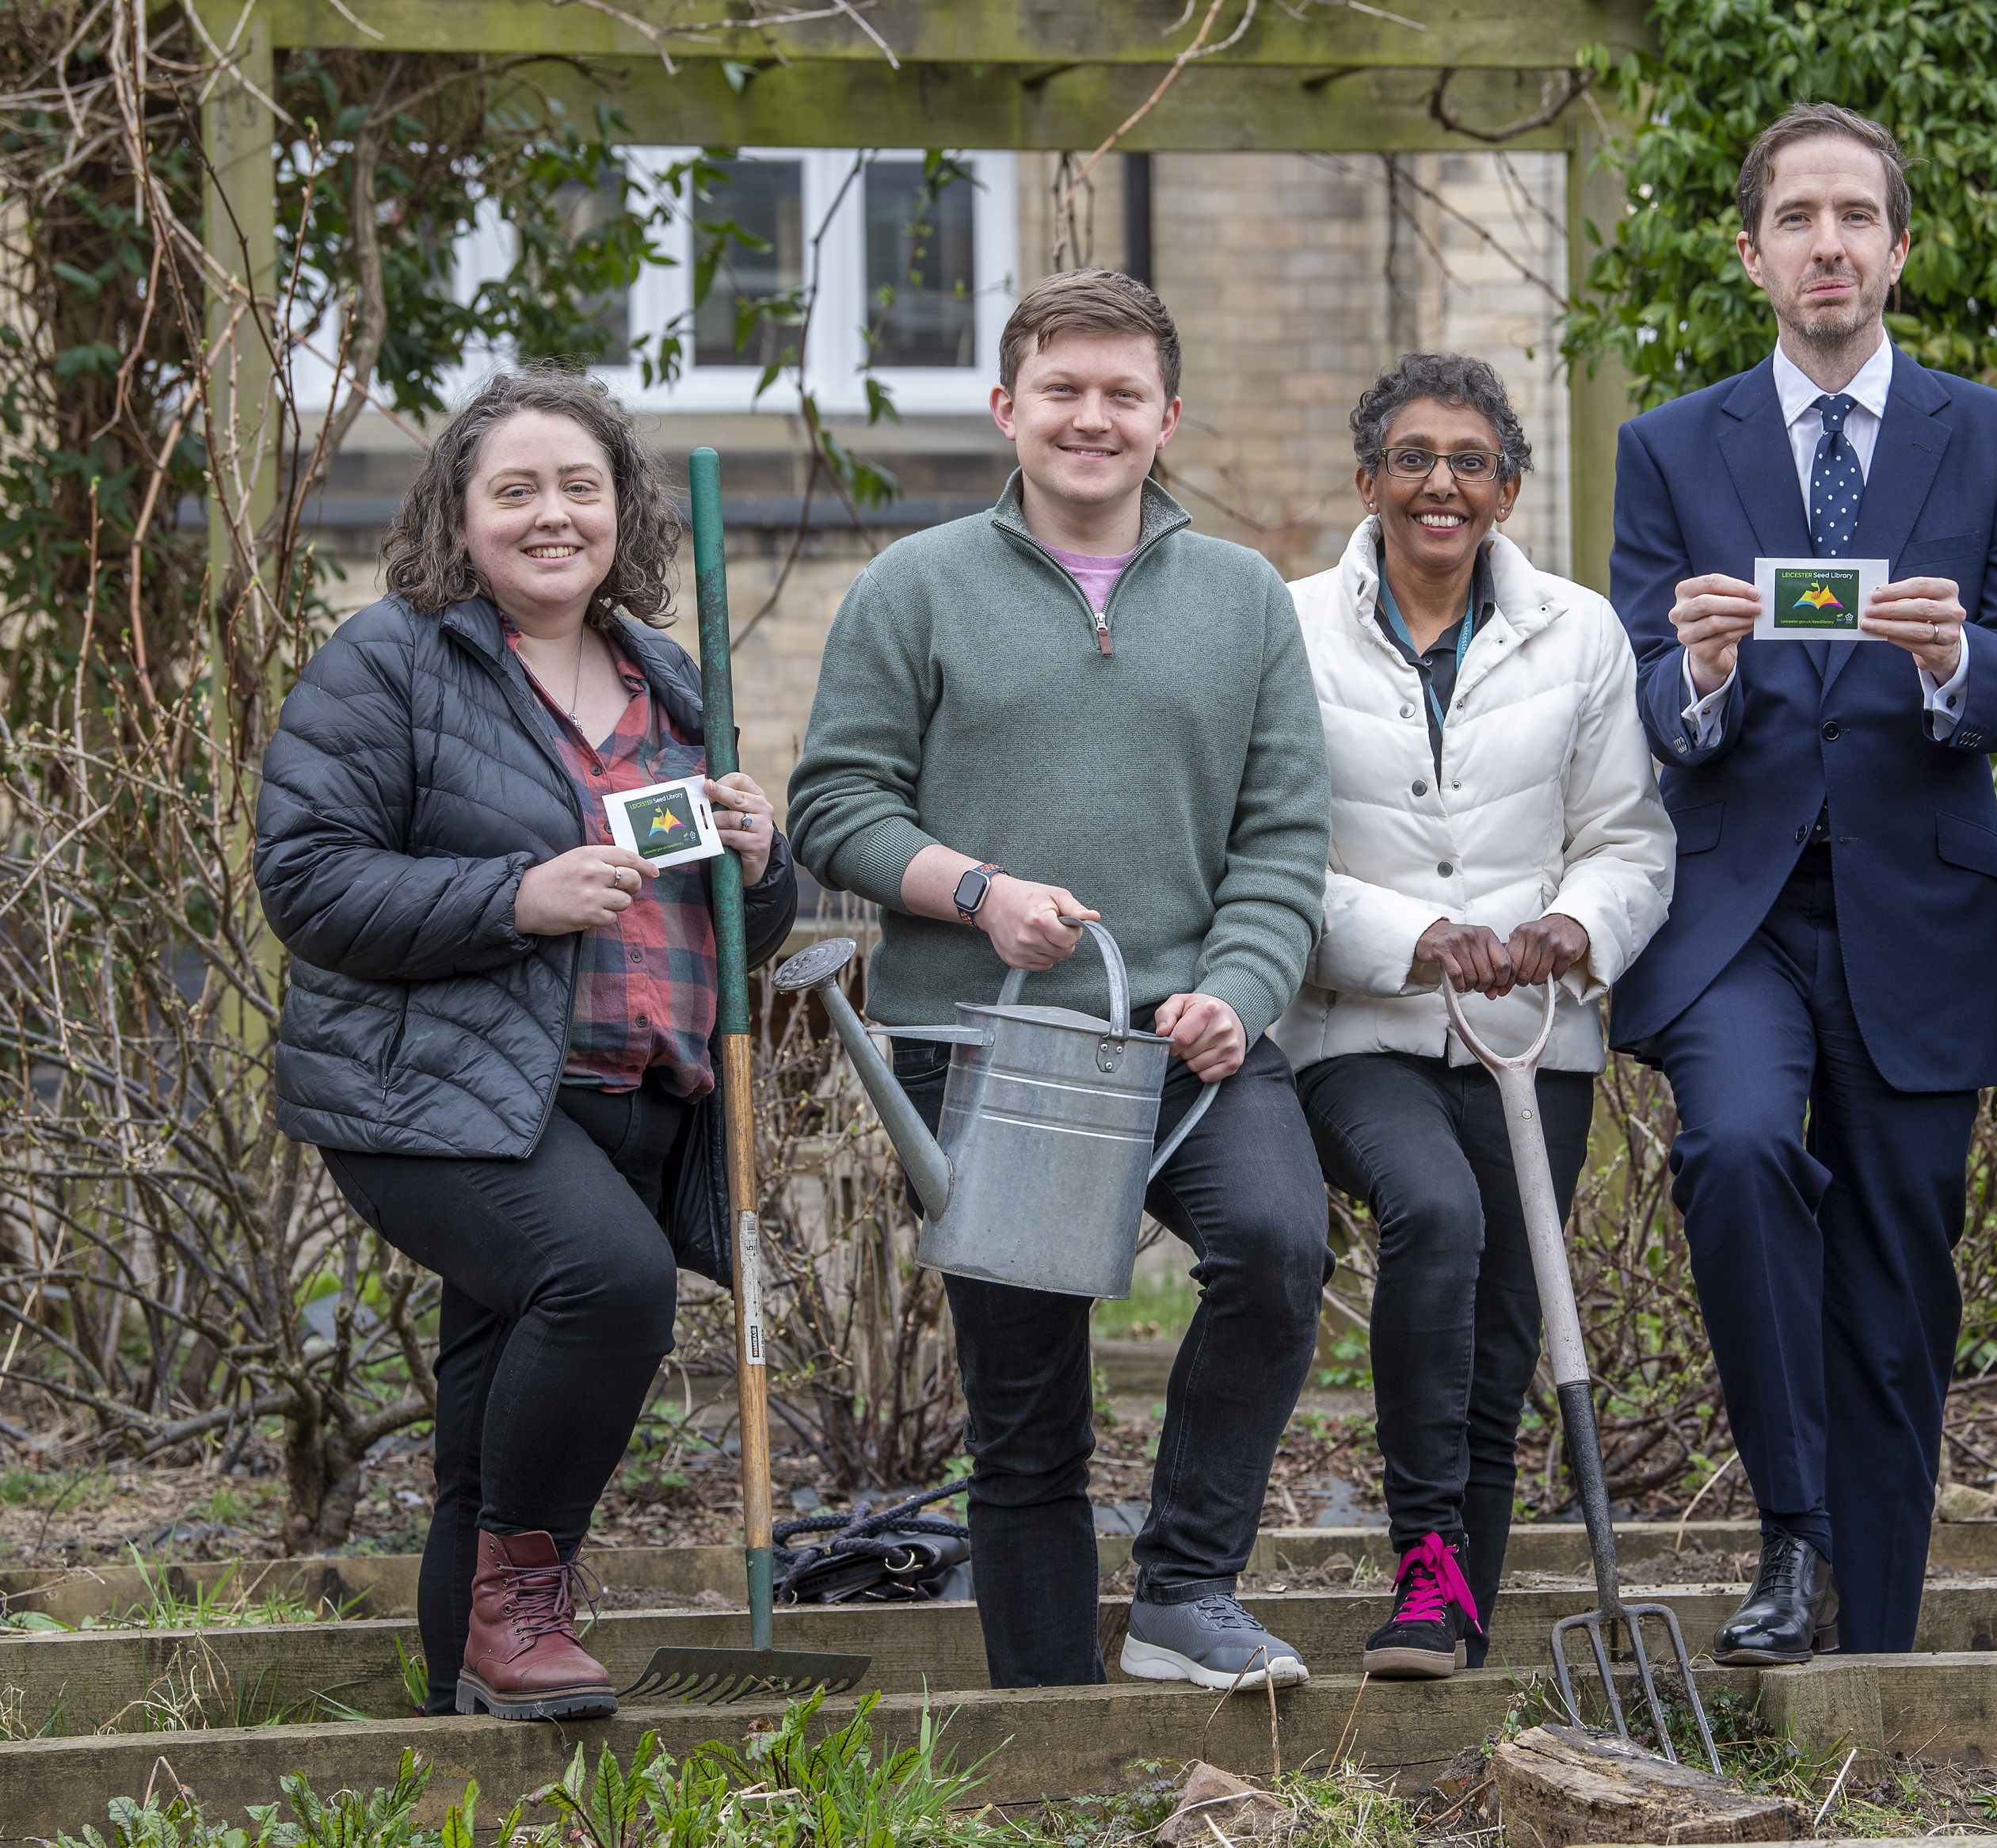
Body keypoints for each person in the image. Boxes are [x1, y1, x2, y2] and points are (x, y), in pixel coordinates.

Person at [785, 269, 1332, 1694]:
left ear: (1168, 417)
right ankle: (1046, 1715)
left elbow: (1283, 839)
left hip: (1185, 1032)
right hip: (981, 1038)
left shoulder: (1243, 600)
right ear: (1006, 407)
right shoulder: (915, 587)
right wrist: (978, 891)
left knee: (1278, 1249)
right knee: (1027, 1406)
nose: (1093, 418)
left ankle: (1186, 1591)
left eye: (1123, 394)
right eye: (1063, 390)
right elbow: (833, 805)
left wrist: (1240, 989)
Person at [254, 368, 799, 1720]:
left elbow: (734, 927)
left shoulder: (669, 679)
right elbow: (307, 881)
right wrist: (515, 896)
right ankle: (523, 1614)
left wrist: (763, 860)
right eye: (516, 490)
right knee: (608, 1283)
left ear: (623, 511)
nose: (552, 515)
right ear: (459, 514)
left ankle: (466, 1711)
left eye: (579, 487)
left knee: (488, 1429)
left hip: (638, 1099)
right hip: (440, 1094)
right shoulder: (392, 660)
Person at [1607, 102, 1997, 1663]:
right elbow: (1643, 695)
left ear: (1897, 248)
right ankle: (1793, 1530)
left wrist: (1955, 663)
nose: (1827, 244)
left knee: (1895, 1267)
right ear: (1752, 254)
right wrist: (1696, 670)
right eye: (1796, 218)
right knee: (1738, 1150)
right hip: (1736, 916)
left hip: (1918, 913)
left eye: (1854, 217)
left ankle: (1872, 1634)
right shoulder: (1670, 448)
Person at [1275, 354, 1674, 1678]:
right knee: (1434, 1211)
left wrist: (1577, 926)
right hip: (1359, 1027)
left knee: (1506, 1325)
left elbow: (1628, 837)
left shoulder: (1581, 632)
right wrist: (1415, 939)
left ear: (1507, 489)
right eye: (1411, 457)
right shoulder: (1288, 629)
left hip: (1530, 1035)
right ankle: (1423, 1565)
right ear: (1367, 481)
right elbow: (1269, 852)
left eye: (1469, 461)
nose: (1438, 483)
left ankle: (1456, 1621)